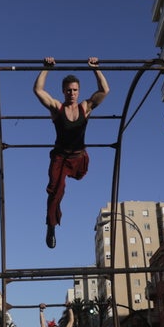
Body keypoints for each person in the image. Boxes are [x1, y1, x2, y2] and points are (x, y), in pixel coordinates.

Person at [33, 56, 109, 249]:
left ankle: (52, 220)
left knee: (77, 177)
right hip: (60, 157)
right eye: (68, 90)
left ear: (79, 91)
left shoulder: (85, 107)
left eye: (75, 90)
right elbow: (38, 90)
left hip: (78, 157)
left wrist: (95, 68)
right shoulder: (57, 108)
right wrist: (46, 68)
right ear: (63, 91)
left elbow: (104, 90)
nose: (72, 93)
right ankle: (51, 225)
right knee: (55, 190)